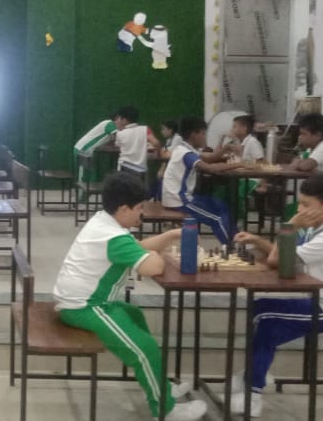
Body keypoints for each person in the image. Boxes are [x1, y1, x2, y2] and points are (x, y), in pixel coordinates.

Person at [53, 172, 207, 421]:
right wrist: (157, 257)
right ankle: (165, 410)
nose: (142, 213)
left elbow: (137, 249)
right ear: (124, 209)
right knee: (145, 349)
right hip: (84, 307)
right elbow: (152, 267)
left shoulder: (104, 222)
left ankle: (159, 386)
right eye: (139, 208)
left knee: (134, 316)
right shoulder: (112, 236)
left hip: (84, 302)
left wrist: (171, 236)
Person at [231, 174, 323, 417]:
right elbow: (285, 256)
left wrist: (291, 223)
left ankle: (254, 392)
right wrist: (258, 241)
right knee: (259, 306)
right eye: (300, 203)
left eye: (306, 204)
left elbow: (276, 260)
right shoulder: (317, 230)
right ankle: (257, 370)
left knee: (268, 321)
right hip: (322, 302)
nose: (300, 209)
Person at [161, 116, 242, 245]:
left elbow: (209, 158)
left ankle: (238, 239)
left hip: (183, 197)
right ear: (193, 134)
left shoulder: (186, 149)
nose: (205, 137)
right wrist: (241, 164)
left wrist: (226, 148)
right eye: (203, 134)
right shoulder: (185, 153)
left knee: (222, 206)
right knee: (217, 218)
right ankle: (232, 248)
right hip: (179, 200)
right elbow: (210, 168)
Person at [111, 106, 158, 175]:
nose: (116, 122)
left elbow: (117, 145)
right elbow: (156, 143)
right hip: (141, 169)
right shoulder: (145, 129)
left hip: (125, 167)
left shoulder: (120, 134)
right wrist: (159, 153)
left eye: (118, 119)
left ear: (124, 120)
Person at [73, 112, 118, 182]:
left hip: (84, 150)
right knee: (83, 177)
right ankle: (81, 188)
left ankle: (83, 188)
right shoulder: (110, 123)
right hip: (82, 150)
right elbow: (117, 138)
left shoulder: (108, 124)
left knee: (88, 175)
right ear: (117, 118)